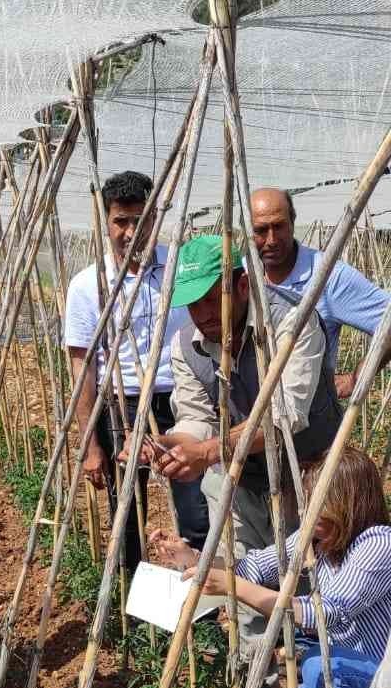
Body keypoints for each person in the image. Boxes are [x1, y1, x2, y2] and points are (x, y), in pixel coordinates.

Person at [145, 234, 343, 650]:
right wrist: (170, 445)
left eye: (208, 299)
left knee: (309, 582)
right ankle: (259, 677)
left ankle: (316, 681)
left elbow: (285, 415)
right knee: (240, 580)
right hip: (237, 481)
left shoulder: (292, 323)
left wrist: (205, 451)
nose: (201, 314)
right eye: (191, 304)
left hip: (305, 476)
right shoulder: (187, 344)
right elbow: (197, 419)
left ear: (240, 285)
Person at [154, 448, 391, 688]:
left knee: (321, 665)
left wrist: (236, 588)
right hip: (337, 675)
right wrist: (193, 558)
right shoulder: (317, 538)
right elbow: (253, 568)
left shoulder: (378, 544)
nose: (309, 512)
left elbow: (327, 613)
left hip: (378, 676)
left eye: (320, 503)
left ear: (350, 505)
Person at [64, 169, 208, 574]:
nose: (130, 232)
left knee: (195, 506)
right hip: (122, 405)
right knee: (127, 508)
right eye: (120, 221)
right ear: (105, 222)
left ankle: (198, 594)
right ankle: (128, 590)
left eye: (140, 221)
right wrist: (91, 445)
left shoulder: (181, 270)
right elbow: (82, 365)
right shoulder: (87, 286)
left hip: (184, 402)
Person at [250, 187, 391, 398]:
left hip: (311, 418)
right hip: (250, 415)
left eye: (279, 226)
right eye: (260, 230)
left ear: (292, 222)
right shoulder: (240, 274)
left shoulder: (329, 276)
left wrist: (356, 378)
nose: (271, 240)